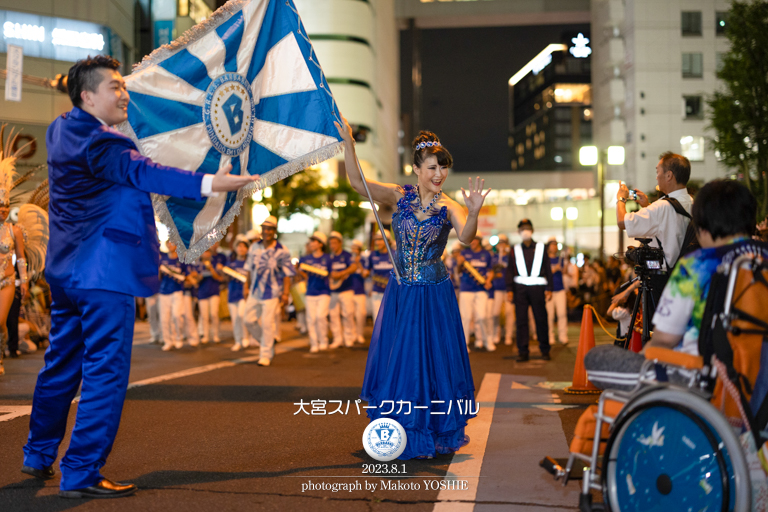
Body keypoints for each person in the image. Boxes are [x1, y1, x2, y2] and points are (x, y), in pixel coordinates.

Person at [21, 55, 255, 498]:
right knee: (105, 372)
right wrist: (209, 183)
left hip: (66, 272)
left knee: (60, 365)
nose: (124, 93)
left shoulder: (60, 130)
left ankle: (38, 454)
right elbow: (143, 171)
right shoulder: (102, 145)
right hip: (104, 272)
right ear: (88, 96)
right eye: (115, 87)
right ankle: (82, 470)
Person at [338, 118, 488, 459]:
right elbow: (357, 183)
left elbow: (465, 237)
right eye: (433, 167)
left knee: (432, 362)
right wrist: (349, 144)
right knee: (402, 361)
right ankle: (400, 428)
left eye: (444, 168)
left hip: (434, 295)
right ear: (417, 169)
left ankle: (431, 431)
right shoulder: (398, 195)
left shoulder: (449, 206)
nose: (440, 174)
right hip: (402, 293)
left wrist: (475, 212)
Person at [586, 180, 768, 390]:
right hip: (758, 384)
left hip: (701, 382)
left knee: (597, 358)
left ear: (703, 226)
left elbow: (663, 341)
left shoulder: (696, 266)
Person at [616, 151, 693, 308]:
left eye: (658, 172)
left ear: (669, 175)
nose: (657, 176)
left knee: (655, 330)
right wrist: (647, 206)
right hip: (686, 277)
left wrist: (621, 199)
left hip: (662, 281)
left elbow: (622, 221)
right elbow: (671, 224)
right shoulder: (692, 202)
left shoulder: (662, 207)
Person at [244, 216, 294, 366]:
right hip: (254, 291)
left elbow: (287, 274)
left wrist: (285, 293)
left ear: (274, 231)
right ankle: (268, 342)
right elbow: (248, 269)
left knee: (267, 323)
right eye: (264, 229)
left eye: (270, 229)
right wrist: (245, 287)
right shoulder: (254, 247)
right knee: (248, 320)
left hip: (272, 293)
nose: (266, 232)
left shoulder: (282, 250)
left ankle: (265, 354)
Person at [505, 219, 553, 362]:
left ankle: (545, 350)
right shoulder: (515, 249)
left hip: (538, 289)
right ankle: (523, 352)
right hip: (520, 290)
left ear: (532, 230)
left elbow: (548, 269)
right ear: (519, 232)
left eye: (527, 228)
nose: (525, 231)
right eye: (522, 229)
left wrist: (549, 288)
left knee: (541, 319)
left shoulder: (540, 247)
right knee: (521, 322)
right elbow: (509, 271)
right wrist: (509, 289)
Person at [456, 236, 494, 351]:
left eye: (475, 239)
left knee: (482, 316)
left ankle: (487, 341)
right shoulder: (464, 253)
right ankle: (465, 344)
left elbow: (491, 270)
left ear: (479, 241)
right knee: (466, 318)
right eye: (471, 239)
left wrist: (488, 281)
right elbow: (458, 271)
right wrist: (459, 264)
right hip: (466, 289)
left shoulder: (486, 254)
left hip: (481, 289)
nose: (473, 241)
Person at [297, 231, 332, 353]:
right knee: (311, 319)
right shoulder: (306, 258)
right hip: (310, 292)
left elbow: (332, 274)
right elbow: (299, 270)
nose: (311, 243)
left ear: (320, 244)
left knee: (320, 316)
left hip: (324, 292)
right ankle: (314, 343)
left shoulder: (327, 258)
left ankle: (323, 341)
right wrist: (303, 276)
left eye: (313, 241)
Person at [328, 231, 358, 348]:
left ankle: (349, 337)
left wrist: (341, 273)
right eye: (331, 243)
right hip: (333, 291)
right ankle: (337, 339)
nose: (332, 246)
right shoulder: (329, 257)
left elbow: (354, 267)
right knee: (333, 315)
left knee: (348, 314)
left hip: (346, 289)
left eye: (334, 243)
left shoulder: (346, 255)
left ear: (340, 243)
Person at [221, 238, 249, 352]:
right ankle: (238, 341)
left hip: (244, 294)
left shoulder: (249, 263)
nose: (241, 249)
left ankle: (245, 337)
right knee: (235, 319)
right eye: (239, 246)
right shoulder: (230, 263)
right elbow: (225, 278)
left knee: (241, 316)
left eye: (244, 246)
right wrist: (223, 272)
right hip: (232, 293)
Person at [158, 242, 187, 351]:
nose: (170, 245)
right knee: (165, 319)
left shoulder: (181, 259)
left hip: (177, 291)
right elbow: (159, 276)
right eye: (169, 243)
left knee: (176, 315)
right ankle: (168, 341)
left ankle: (178, 338)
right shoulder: (163, 259)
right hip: (164, 291)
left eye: (173, 243)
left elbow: (186, 276)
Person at [488, 234, 514, 346]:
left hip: (508, 288)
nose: (501, 246)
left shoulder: (510, 257)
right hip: (497, 288)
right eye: (500, 243)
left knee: (509, 313)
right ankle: (496, 333)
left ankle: (508, 334)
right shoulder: (493, 257)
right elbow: (490, 272)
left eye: (503, 243)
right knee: (495, 313)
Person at [194, 249, 224, 344]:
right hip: (202, 293)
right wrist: (200, 276)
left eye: (208, 252)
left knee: (214, 313)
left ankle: (215, 334)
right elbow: (196, 280)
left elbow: (219, 278)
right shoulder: (198, 265)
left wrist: (211, 268)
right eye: (204, 251)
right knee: (204, 315)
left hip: (214, 292)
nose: (206, 253)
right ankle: (205, 335)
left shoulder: (215, 263)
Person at [367, 231, 394, 325]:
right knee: (377, 321)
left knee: (391, 320)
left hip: (392, 293)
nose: (377, 242)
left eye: (380, 240)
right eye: (376, 240)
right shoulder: (372, 255)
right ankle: (378, 340)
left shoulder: (395, 254)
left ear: (388, 240)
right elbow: (366, 273)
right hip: (376, 292)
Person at [546, 240, 569, 346]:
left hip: (560, 289)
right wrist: (555, 269)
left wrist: (564, 268)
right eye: (552, 245)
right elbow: (545, 273)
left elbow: (565, 272)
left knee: (562, 313)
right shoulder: (545, 259)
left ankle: (563, 335)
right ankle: (550, 335)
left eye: (556, 245)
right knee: (549, 315)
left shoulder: (561, 259)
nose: (554, 247)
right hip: (549, 290)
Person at [350, 239, 368, 344]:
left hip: (360, 291)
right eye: (352, 247)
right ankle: (352, 335)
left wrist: (358, 264)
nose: (353, 250)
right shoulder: (348, 259)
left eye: (355, 248)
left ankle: (360, 334)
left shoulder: (364, 260)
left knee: (361, 314)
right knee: (350, 314)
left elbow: (365, 274)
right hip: (349, 291)